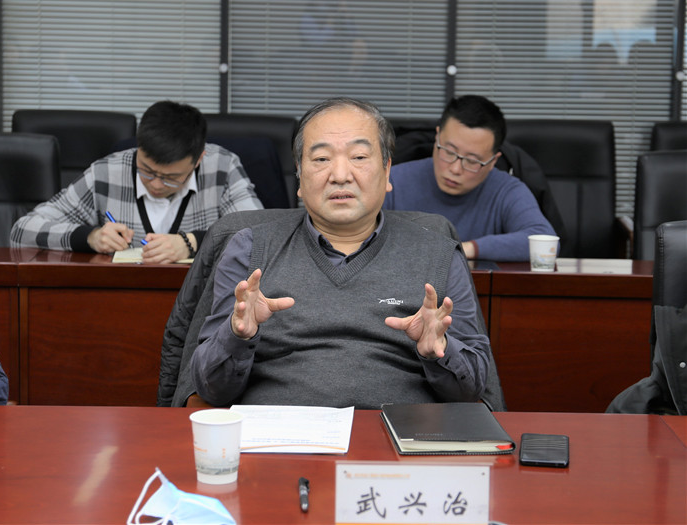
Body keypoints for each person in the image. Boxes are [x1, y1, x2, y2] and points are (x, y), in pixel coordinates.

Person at [189, 97, 491, 409]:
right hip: (280, 433)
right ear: (299, 176)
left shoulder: (438, 253)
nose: (340, 175)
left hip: (396, 432)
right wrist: (237, 337)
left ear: (387, 170)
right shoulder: (250, 249)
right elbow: (211, 390)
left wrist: (438, 350)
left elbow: (471, 391)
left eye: (359, 157)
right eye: (321, 159)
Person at [10, 100, 263, 263]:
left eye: (171, 178)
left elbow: (260, 233)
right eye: (147, 171)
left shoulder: (222, 167)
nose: (156, 184)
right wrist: (90, 237)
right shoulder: (107, 172)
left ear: (198, 160)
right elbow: (22, 230)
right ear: (138, 148)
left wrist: (192, 243)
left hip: (202, 306)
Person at [383, 95, 556, 262]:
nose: (455, 169)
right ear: (437, 136)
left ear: (493, 161)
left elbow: (543, 240)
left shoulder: (506, 190)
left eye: (472, 161)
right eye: (449, 152)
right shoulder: (393, 181)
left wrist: (464, 249)